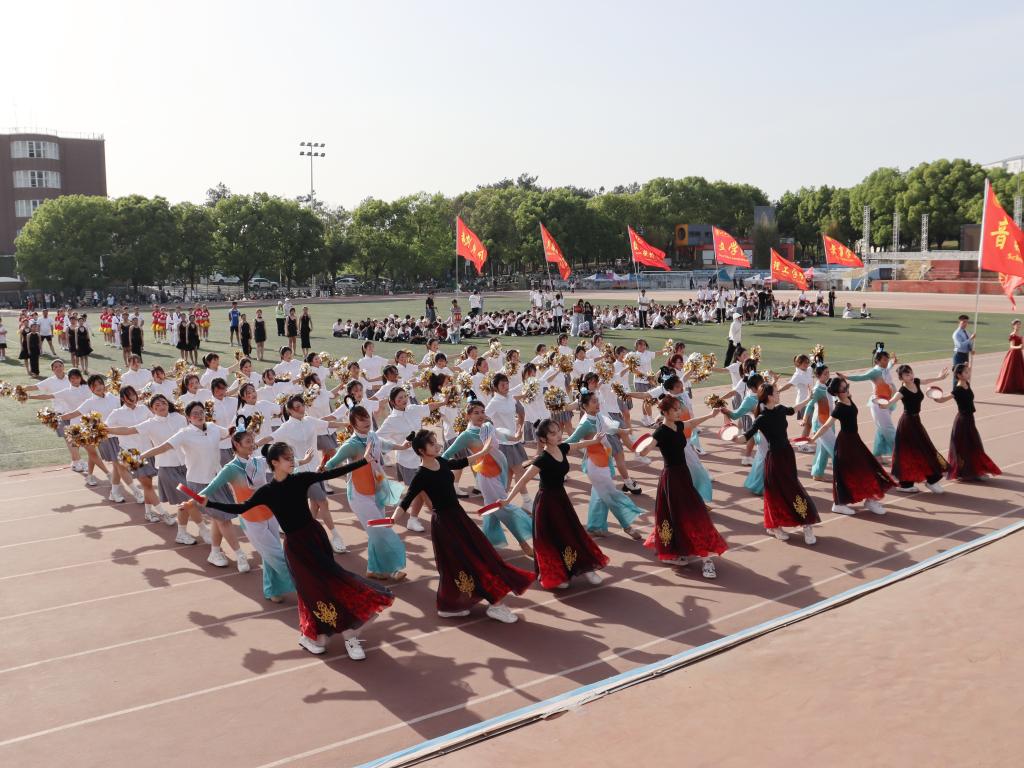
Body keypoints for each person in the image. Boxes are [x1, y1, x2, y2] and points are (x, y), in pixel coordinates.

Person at [197, 442, 393, 658]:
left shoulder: (300, 479)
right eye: (287, 458)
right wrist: (209, 503)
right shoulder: (267, 492)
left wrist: (364, 461)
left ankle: (348, 635)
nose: (292, 461)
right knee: (311, 590)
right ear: (274, 462)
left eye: (292, 457)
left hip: (315, 538)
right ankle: (317, 635)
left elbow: (331, 474)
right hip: (295, 547)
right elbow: (241, 508)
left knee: (332, 581)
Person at [392, 430, 533, 622]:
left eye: (435, 442)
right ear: (421, 451)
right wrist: (393, 519)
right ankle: (491, 604)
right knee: (464, 562)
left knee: (479, 556)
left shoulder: (441, 461)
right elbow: (406, 501)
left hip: (459, 517)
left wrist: (484, 451)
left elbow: (462, 462)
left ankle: (455, 605)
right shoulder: (420, 475)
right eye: (432, 444)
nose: (437, 445)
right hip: (445, 524)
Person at [502, 419, 608, 590]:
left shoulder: (562, 448)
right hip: (546, 503)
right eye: (552, 433)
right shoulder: (542, 459)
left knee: (572, 533)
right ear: (543, 439)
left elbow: (577, 445)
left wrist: (595, 440)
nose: (558, 435)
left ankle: (586, 568)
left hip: (561, 499)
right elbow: (523, 479)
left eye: (558, 431)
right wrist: (507, 499)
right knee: (552, 538)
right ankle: (558, 575)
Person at [193, 431, 297, 602]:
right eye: (248, 441)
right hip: (251, 519)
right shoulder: (231, 469)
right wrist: (192, 500)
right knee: (278, 556)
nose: (252, 444)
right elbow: (212, 486)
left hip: (270, 514)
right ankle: (305, 586)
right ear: (236, 444)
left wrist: (303, 461)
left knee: (269, 556)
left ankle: (272, 590)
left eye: (253, 440)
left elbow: (281, 465)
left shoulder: (258, 461)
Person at [635, 397, 726, 577]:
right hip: (671, 479)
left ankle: (700, 555)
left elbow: (691, 422)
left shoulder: (678, 425)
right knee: (682, 515)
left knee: (693, 513)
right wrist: (641, 450)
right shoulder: (660, 432)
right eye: (675, 409)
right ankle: (701, 558)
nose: (679, 412)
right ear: (665, 412)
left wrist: (711, 415)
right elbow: (646, 449)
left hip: (684, 475)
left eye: (679, 408)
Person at [324, 407, 408, 581]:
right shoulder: (351, 445)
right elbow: (331, 464)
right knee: (381, 531)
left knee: (375, 533)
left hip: (378, 491)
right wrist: (322, 470)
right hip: (359, 495)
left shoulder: (373, 436)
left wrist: (401, 446)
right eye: (361, 419)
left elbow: (383, 443)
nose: (367, 421)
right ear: (353, 424)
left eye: (367, 417)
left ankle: (373, 568)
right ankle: (394, 568)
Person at [442, 401, 534, 556]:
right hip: (486, 477)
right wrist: (439, 469)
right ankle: (523, 541)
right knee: (503, 508)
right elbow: (446, 455)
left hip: (499, 473)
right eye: (476, 412)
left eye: (482, 412)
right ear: (468, 416)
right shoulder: (466, 435)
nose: (480, 415)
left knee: (492, 511)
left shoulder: (488, 428)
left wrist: (517, 435)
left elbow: (505, 436)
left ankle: (486, 544)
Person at [736, 384, 820, 544]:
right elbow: (746, 436)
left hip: (787, 454)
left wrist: (808, 399)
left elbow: (793, 409)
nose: (778, 393)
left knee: (794, 488)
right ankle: (775, 527)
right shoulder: (761, 418)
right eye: (776, 392)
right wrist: (733, 437)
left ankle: (806, 524)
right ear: (769, 396)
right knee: (775, 493)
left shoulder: (781, 409)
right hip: (774, 458)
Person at [565, 390, 644, 539]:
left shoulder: (598, 416)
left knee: (599, 496)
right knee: (611, 495)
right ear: (585, 406)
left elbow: (609, 427)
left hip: (605, 460)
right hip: (595, 465)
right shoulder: (585, 424)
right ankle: (627, 526)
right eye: (594, 402)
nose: (598, 404)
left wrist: (623, 431)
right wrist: (553, 448)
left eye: (597, 400)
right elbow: (571, 440)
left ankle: (594, 527)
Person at [810, 378, 895, 516]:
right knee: (848, 473)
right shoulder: (839, 408)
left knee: (868, 468)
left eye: (847, 387)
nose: (847, 390)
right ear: (837, 393)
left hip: (855, 440)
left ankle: (870, 499)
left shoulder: (848, 398)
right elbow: (826, 425)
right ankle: (839, 504)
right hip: (846, 444)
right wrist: (813, 439)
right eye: (843, 389)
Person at [886, 364, 949, 494]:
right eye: (906, 374)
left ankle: (931, 480)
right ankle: (906, 484)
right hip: (907, 424)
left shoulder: (916, 382)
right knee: (911, 453)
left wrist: (939, 378)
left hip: (916, 421)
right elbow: (890, 402)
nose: (910, 376)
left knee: (924, 449)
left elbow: (926, 381)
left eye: (911, 373)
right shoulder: (902, 391)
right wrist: (881, 403)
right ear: (901, 378)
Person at [933, 364, 1002, 482]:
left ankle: (975, 470)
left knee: (973, 446)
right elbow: (942, 399)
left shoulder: (967, 384)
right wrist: (935, 396)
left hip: (970, 420)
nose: (968, 374)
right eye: (965, 372)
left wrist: (967, 363)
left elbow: (968, 369)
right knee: (965, 447)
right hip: (962, 421)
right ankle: (965, 472)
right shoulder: (958, 390)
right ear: (959, 375)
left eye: (968, 372)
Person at [842, 350, 897, 461]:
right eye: (884, 360)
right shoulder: (874, 372)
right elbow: (860, 377)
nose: (887, 361)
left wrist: (893, 362)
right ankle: (898, 455)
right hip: (879, 404)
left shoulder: (885, 368)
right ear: (877, 361)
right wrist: (846, 377)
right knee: (889, 430)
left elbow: (889, 366)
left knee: (881, 430)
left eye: (887, 359)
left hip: (888, 403)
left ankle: (877, 455)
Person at [995, 319, 1024, 394]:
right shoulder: (1012, 335)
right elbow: (1011, 346)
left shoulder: (1021, 336)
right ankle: (1009, 387)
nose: (1018, 326)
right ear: (1013, 326)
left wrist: (1022, 345)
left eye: (1019, 324)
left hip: (1019, 354)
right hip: (1013, 355)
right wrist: (1019, 347)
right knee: (1010, 370)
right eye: (1017, 324)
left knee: (1018, 371)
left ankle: (1017, 387)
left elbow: (1022, 347)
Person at [951, 314, 974, 386]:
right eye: (963, 322)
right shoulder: (956, 333)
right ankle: (955, 390)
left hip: (965, 355)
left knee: (965, 374)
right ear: (959, 322)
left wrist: (971, 349)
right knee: (957, 374)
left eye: (966, 322)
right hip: (959, 355)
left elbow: (968, 343)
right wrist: (970, 338)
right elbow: (960, 345)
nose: (965, 324)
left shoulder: (967, 332)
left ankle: (963, 389)